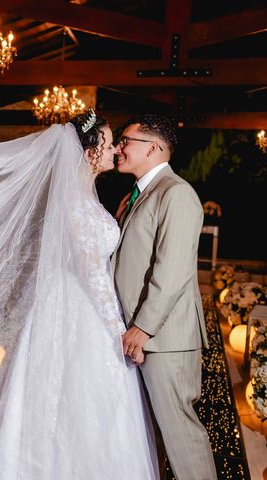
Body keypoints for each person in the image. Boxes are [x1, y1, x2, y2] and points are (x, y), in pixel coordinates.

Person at [0, 110, 159, 480]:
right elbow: (92, 275)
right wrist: (116, 328)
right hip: (84, 311)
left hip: (74, 304)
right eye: (108, 144)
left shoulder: (83, 195)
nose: (114, 151)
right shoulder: (74, 202)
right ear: (90, 152)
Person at [112, 114, 217, 479]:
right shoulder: (136, 195)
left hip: (165, 338)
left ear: (153, 148)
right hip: (139, 335)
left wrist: (142, 328)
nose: (118, 147)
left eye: (126, 140)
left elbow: (171, 272)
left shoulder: (177, 194)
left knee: (181, 435)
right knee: (149, 435)